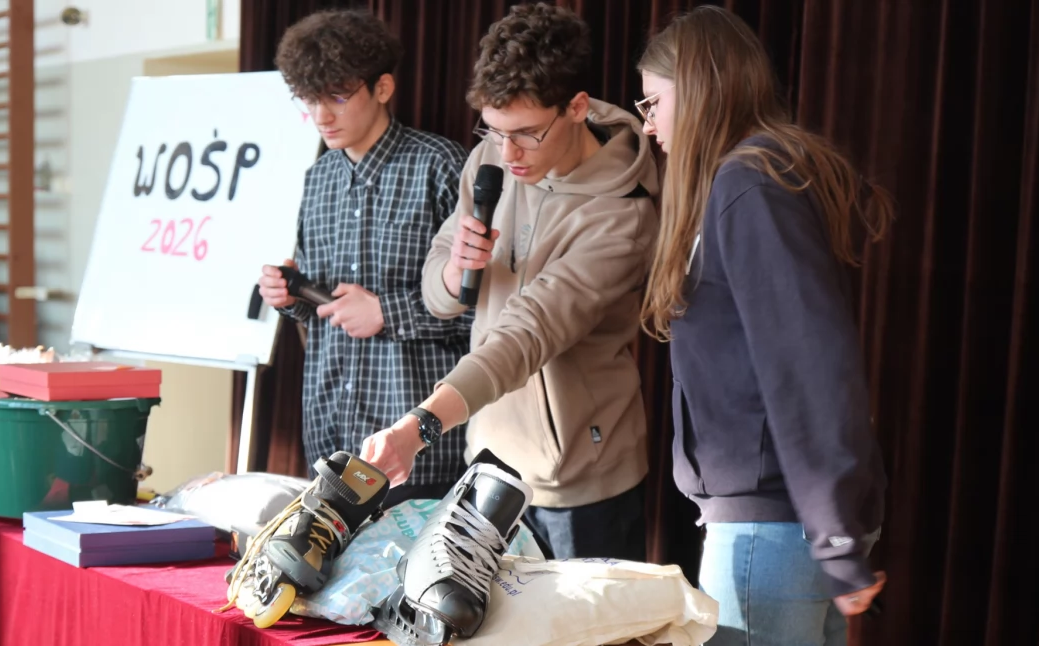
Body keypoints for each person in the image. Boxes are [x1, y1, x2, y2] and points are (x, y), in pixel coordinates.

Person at [361, 3, 659, 561]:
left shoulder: (623, 212)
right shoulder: (491, 159)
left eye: (526, 134)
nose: (507, 153)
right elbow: (438, 295)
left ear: (576, 107)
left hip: (580, 484)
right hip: (489, 458)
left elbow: (529, 331)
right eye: (493, 131)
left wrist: (418, 428)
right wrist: (455, 270)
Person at [635, 6, 892, 643]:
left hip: (774, 533)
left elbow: (809, 367)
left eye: (654, 103)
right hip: (782, 527)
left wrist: (835, 536)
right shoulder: (753, 179)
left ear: (698, 90)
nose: (648, 124)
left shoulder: (748, 186)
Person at [256, 10, 472, 507]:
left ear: (383, 88)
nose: (321, 116)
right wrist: (291, 297)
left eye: (336, 96)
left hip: (419, 449)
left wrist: (385, 312)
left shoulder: (440, 166)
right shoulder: (318, 179)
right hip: (330, 437)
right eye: (309, 99)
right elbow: (323, 310)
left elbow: (485, 314)